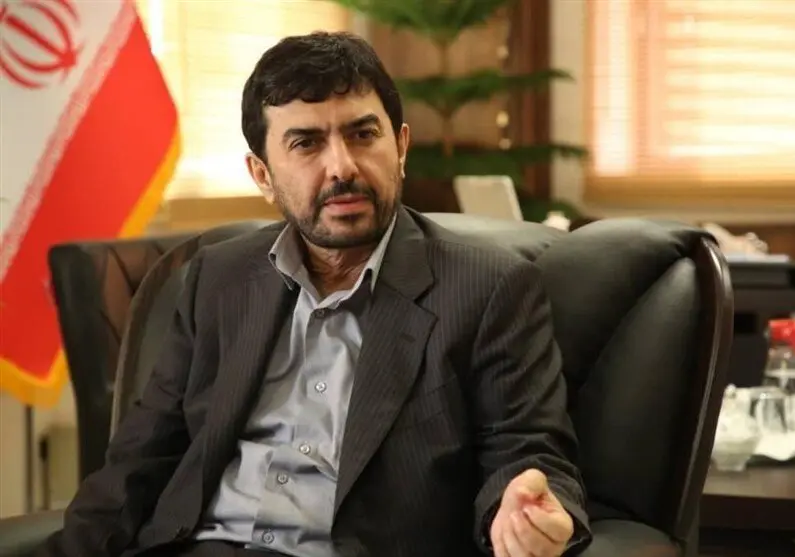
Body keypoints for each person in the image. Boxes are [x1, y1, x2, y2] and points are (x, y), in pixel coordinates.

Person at [38, 31, 591, 557]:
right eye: (306, 143)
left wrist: (526, 518)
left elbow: (527, 454)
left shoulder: (486, 288)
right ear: (262, 174)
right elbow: (139, 461)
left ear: (400, 146)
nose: (342, 167)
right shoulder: (218, 278)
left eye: (363, 134)